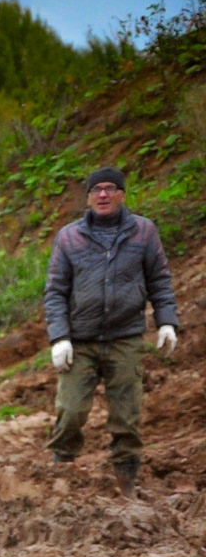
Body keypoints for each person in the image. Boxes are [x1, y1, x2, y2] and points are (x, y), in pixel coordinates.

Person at [44, 166, 180, 493]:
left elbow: (159, 281)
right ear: (88, 197)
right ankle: (62, 475)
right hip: (81, 340)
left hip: (126, 339)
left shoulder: (144, 232)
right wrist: (60, 336)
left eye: (110, 188)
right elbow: (55, 291)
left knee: (127, 419)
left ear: (122, 193)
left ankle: (127, 485)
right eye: (96, 190)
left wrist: (167, 321)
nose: (103, 194)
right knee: (71, 411)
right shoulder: (69, 237)